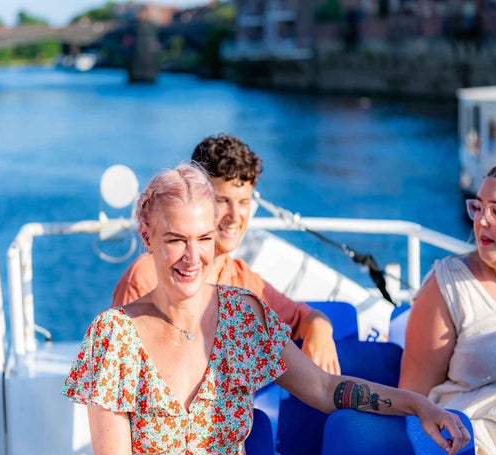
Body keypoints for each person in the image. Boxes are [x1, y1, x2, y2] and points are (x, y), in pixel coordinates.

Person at [63, 164, 469, 455]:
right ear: (147, 237)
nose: (192, 257)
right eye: (176, 240)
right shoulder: (114, 335)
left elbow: (325, 389)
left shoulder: (243, 316)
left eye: (203, 238)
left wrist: (417, 405)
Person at [112, 133, 340, 375]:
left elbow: (302, 317)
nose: (234, 216)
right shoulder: (147, 277)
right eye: (222, 201)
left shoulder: (243, 281)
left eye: (243, 202)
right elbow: (123, 376)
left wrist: (319, 329)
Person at [399, 162, 496, 455]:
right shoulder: (448, 284)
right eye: (477, 206)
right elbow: (412, 396)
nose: (481, 220)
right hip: (466, 454)